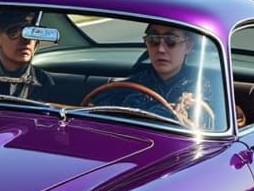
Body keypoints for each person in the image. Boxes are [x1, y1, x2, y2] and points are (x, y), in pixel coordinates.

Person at [89, 22, 218, 125]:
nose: (161, 49)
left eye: (171, 40)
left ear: (188, 46)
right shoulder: (127, 86)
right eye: (153, 40)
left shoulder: (202, 89)